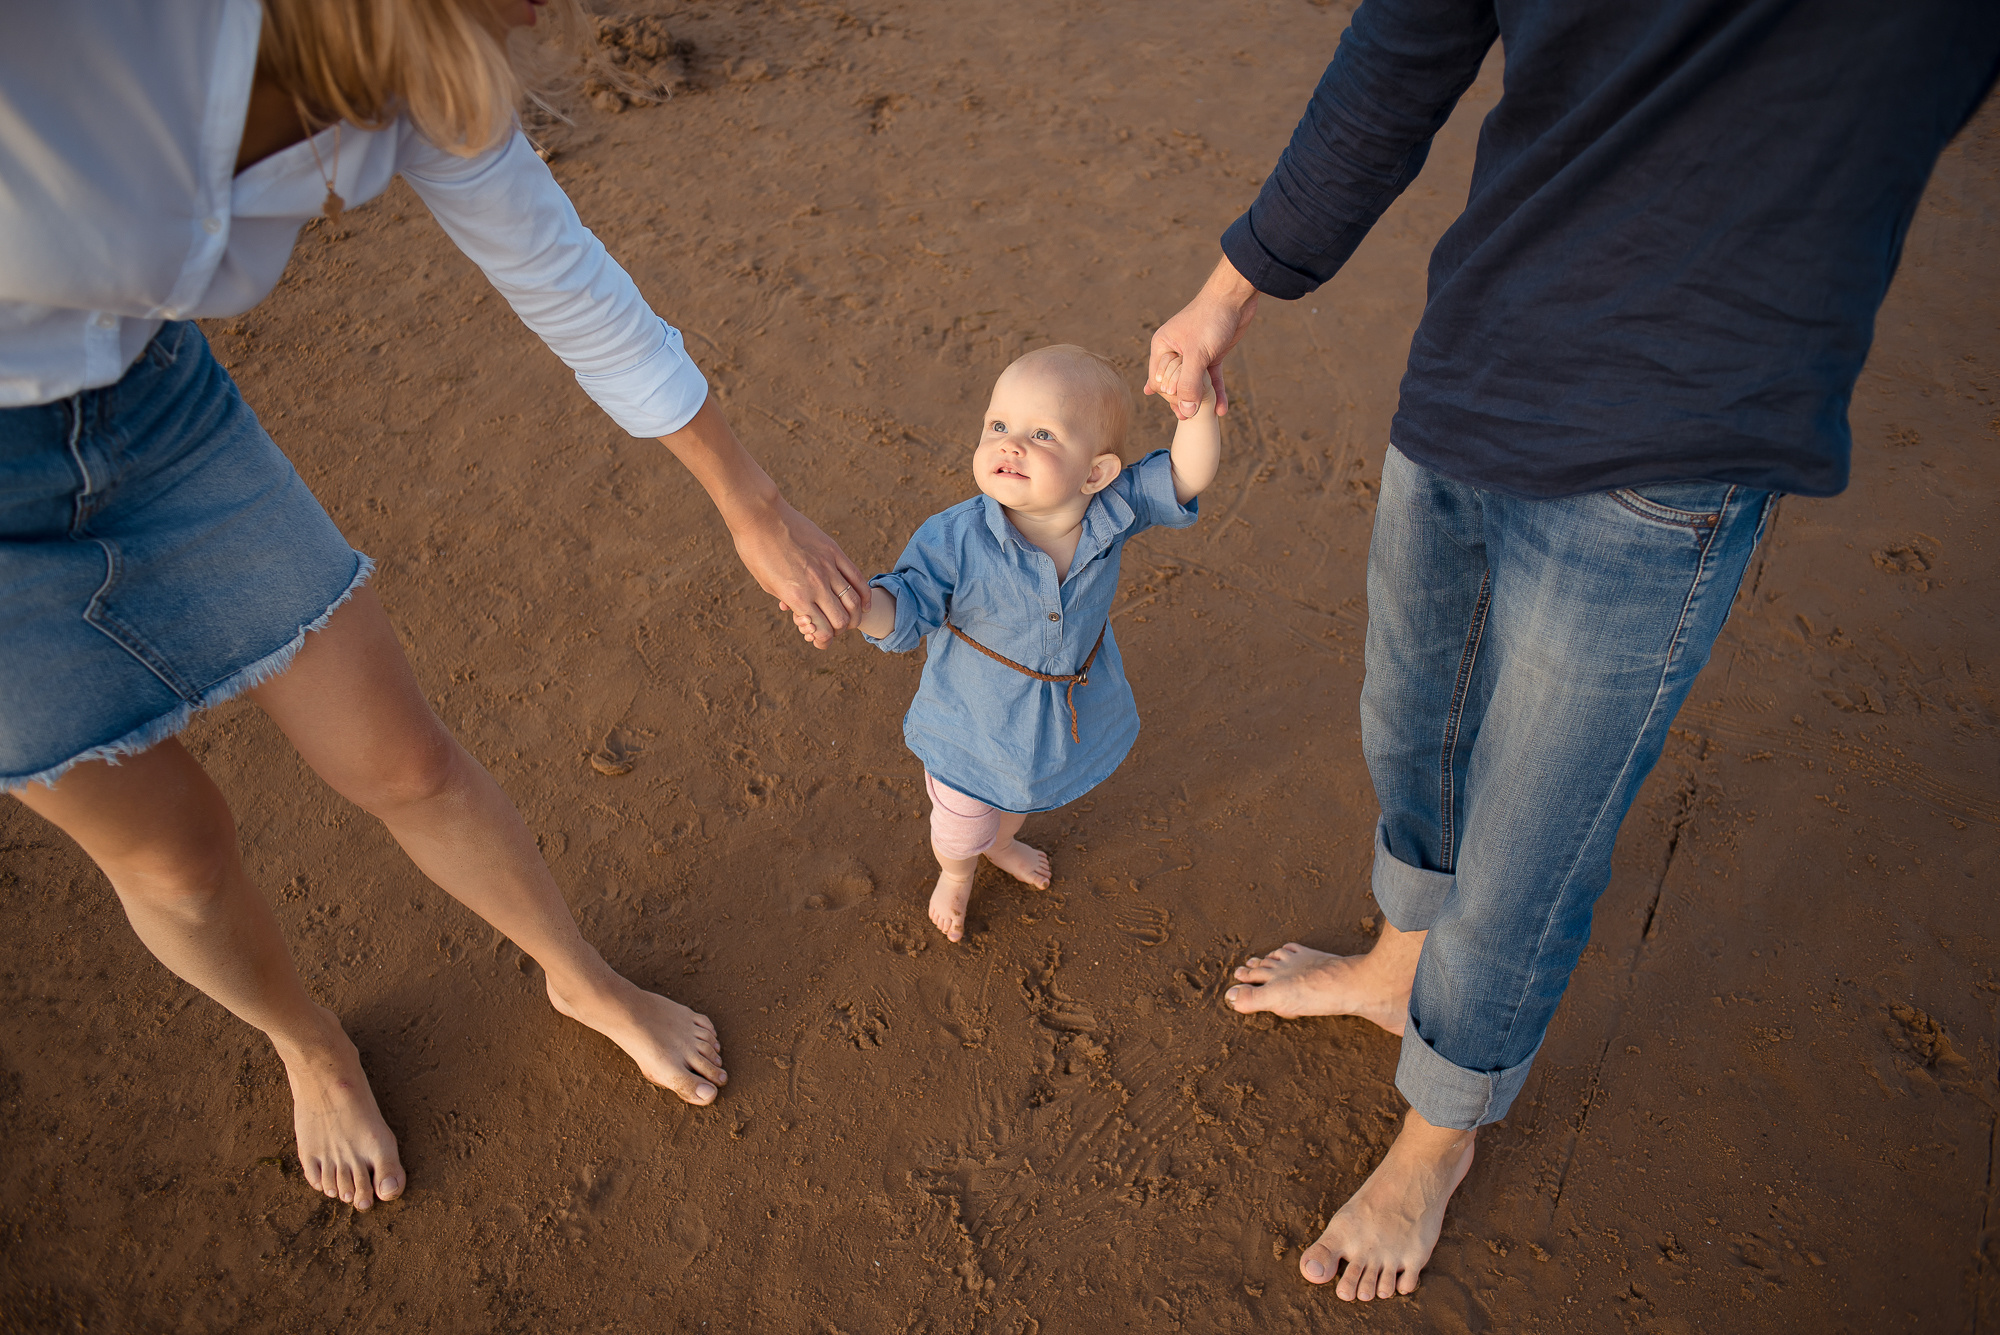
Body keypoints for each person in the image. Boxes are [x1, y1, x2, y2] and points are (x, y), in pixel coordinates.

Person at [1146, 0, 2000, 1303]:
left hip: (1681, 426)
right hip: (1480, 346)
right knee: (1412, 713)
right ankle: (1397, 963)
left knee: (1532, 831)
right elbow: (1409, 39)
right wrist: (1228, 291)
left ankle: (1438, 1134)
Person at [1, 0, 871, 1212]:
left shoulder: (429, 58)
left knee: (404, 759)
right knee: (172, 857)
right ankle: (307, 1043)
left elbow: (561, 275)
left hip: (155, 404)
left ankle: (578, 977)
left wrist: (751, 504)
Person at [801, 345, 1219, 941]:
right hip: (971, 723)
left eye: (1042, 434)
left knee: (1022, 798)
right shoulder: (956, 538)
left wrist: (1196, 407)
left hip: (1054, 716)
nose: (1010, 444)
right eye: (998, 426)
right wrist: (859, 607)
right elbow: (909, 608)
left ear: (1095, 474)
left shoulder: (1113, 508)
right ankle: (956, 874)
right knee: (961, 823)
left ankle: (1002, 845)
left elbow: (1184, 475)